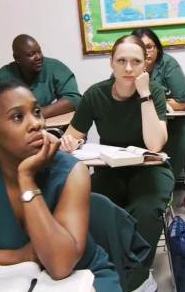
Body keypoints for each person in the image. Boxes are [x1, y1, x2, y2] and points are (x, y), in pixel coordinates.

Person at [0, 81, 121, 291]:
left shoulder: (72, 171)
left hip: (85, 279)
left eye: (36, 112)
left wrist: (26, 179)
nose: (36, 123)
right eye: (18, 117)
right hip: (15, 280)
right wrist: (16, 257)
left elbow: (60, 266)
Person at [60, 35, 174, 292]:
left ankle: (138, 280)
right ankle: (107, 271)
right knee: (94, 206)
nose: (129, 68)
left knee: (145, 210)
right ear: (111, 62)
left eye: (136, 61)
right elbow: (73, 135)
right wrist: (70, 142)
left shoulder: (153, 91)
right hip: (109, 168)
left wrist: (144, 94)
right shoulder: (95, 94)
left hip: (150, 168)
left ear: (146, 64)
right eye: (121, 60)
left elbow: (156, 144)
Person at [131, 27, 185, 180]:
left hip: (178, 123)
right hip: (140, 123)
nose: (146, 52)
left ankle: (165, 187)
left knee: (174, 150)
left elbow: (182, 103)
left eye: (149, 47)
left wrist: (150, 101)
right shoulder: (126, 66)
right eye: (140, 48)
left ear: (157, 48)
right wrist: (163, 102)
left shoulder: (168, 64)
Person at [0, 34, 81, 118]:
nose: (38, 57)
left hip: (49, 126)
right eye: (31, 54)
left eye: (39, 51)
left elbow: (74, 99)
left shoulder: (55, 68)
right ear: (17, 58)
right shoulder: (1, 77)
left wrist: (38, 114)